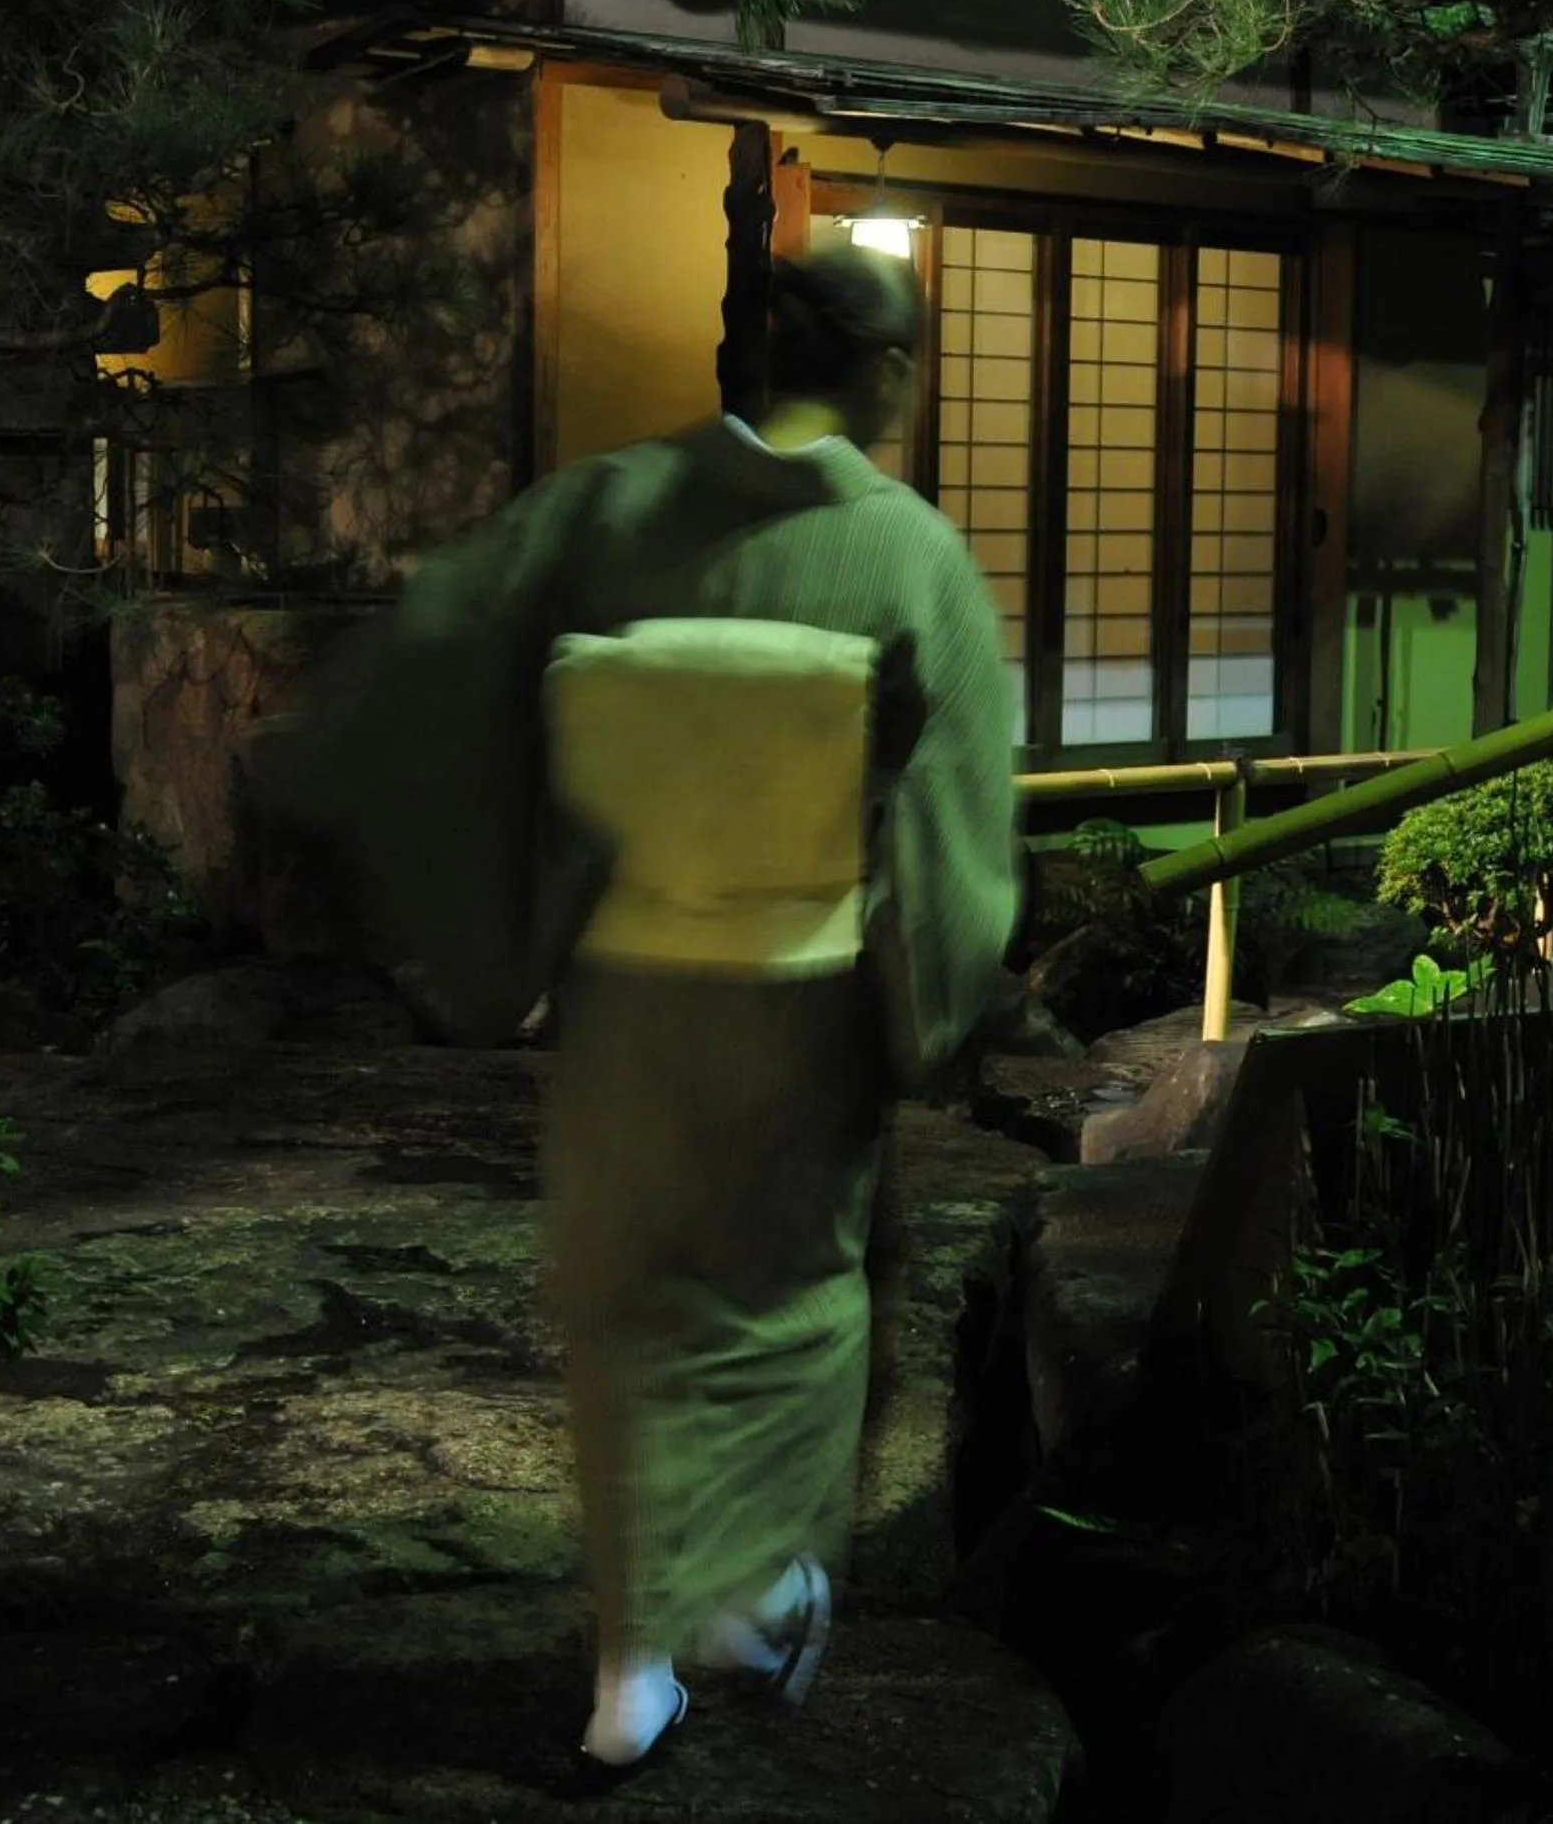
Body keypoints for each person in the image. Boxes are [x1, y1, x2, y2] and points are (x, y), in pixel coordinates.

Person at [257, 247, 1019, 1785]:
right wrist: (932, 988)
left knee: (626, 1308)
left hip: (623, 998)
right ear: (884, 374)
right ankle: (744, 1598)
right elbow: (955, 821)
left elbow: (433, 670)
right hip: (797, 1009)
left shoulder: (602, 509)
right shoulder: (911, 556)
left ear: (743, 360)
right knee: (791, 1304)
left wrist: (500, 912)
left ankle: (628, 1663)